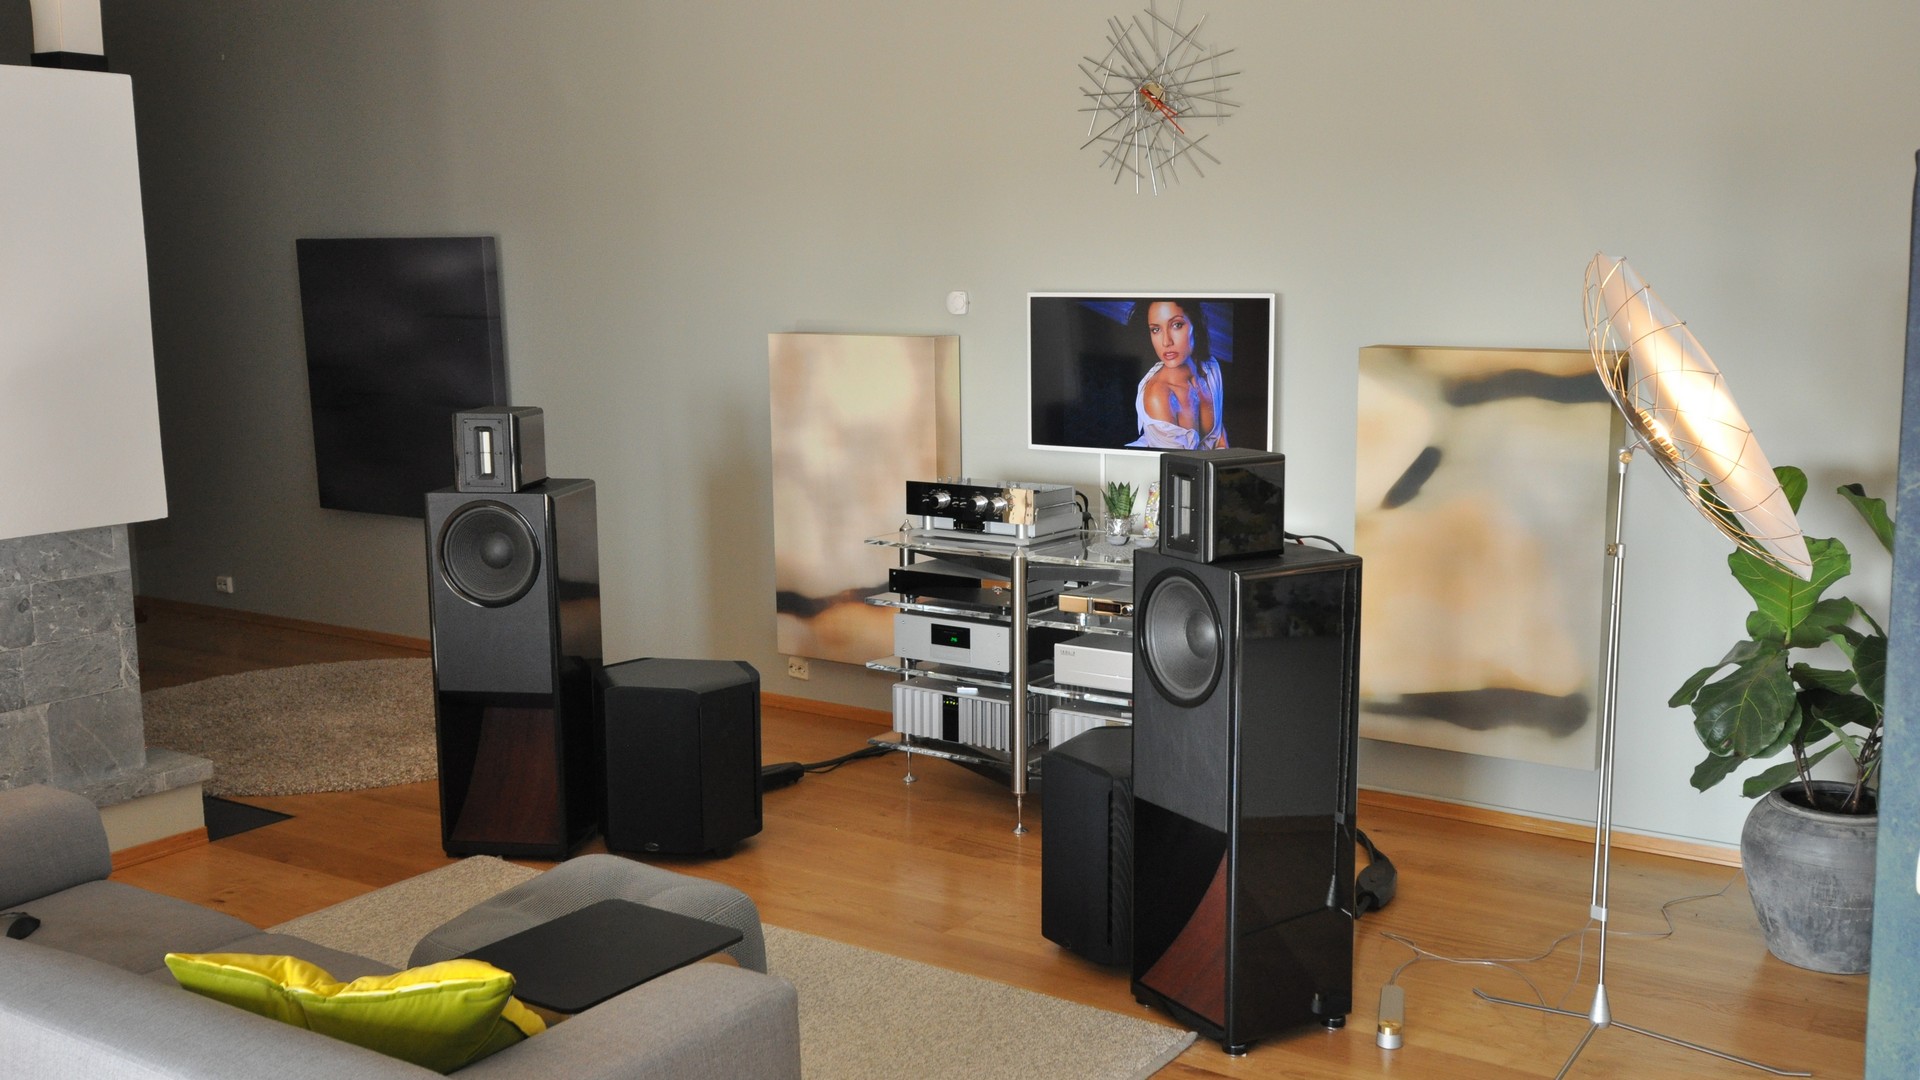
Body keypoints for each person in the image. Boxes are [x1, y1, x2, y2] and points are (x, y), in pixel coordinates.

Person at [1124, 299, 1227, 449]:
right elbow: (1176, 462)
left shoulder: (1211, 368)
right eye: (1156, 329)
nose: (1166, 342)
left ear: (1195, 325)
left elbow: (1220, 437)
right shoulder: (1159, 396)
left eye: (1176, 325)